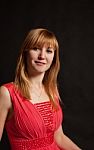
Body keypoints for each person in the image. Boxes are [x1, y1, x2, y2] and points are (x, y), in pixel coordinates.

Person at [0, 28, 81, 150]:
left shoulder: (52, 90)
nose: (42, 56)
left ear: (54, 57)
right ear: (25, 52)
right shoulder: (7, 92)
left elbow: (59, 137)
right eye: (36, 48)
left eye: (49, 51)